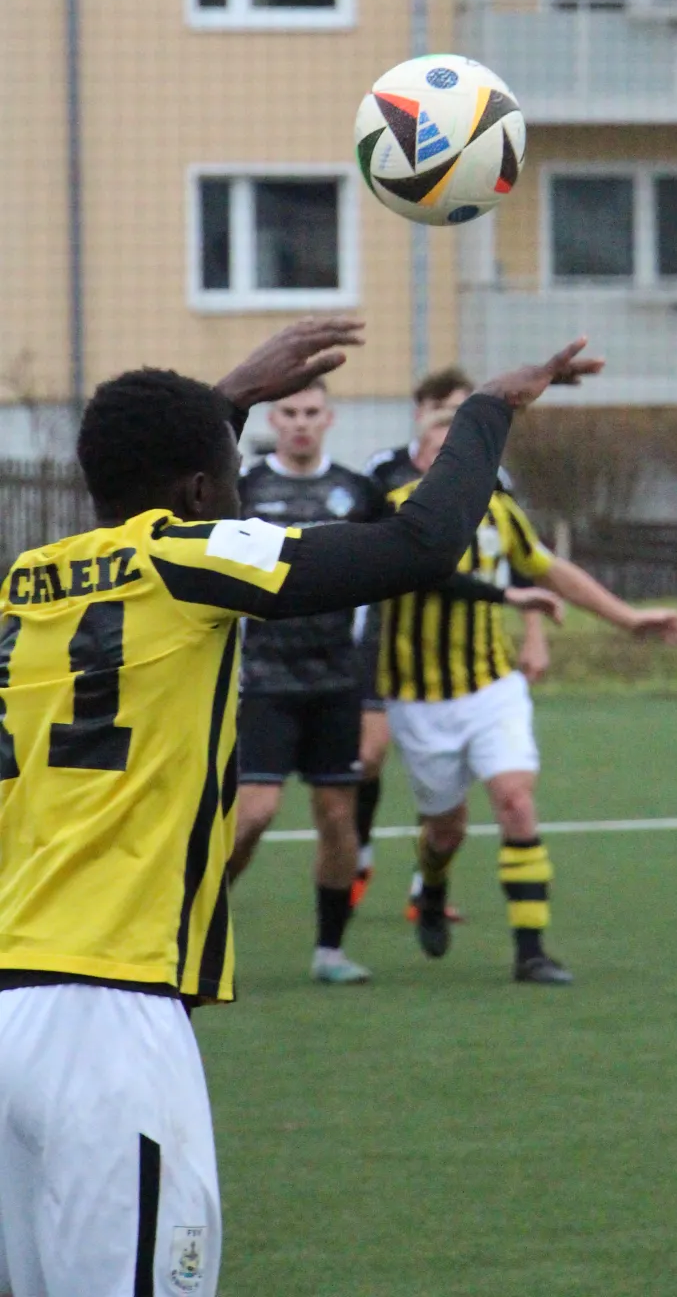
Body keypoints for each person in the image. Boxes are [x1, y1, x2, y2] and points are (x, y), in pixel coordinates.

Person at [0, 316, 600, 1297]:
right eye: (228, 473)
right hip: (107, 1019)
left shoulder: (26, 583)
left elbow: (148, 490)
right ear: (202, 493)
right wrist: (490, 409)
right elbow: (419, 542)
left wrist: (223, 401)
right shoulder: (190, 559)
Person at [379, 392, 677, 985]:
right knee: (445, 829)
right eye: (439, 453)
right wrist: (507, 596)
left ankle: (531, 952)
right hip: (418, 700)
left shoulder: (501, 513)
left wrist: (628, 619)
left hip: (491, 687)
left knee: (516, 802)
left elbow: (549, 569)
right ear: (419, 460)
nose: (453, 465)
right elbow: (426, 577)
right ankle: (433, 885)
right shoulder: (395, 512)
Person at [227, 378, 385, 985]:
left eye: (311, 412)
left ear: (329, 419)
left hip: (336, 683)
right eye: (289, 412)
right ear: (273, 419)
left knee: (338, 817)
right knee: (253, 814)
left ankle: (330, 952)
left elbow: (380, 588)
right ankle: (196, 923)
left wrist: (371, 695)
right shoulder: (244, 489)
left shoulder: (358, 492)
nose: (300, 422)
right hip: (262, 679)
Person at [350, 366, 470, 908]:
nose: (453, 419)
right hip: (387, 631)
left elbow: (520, 563)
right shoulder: (385, 471)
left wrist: (533, 632)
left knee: (442, 766)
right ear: (421, 412)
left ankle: (428, 883)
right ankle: (360, 854)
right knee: (369, 753)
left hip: (454, 644)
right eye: (443, 408)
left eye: (463, 409)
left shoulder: (490, 475)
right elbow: (359, 541)